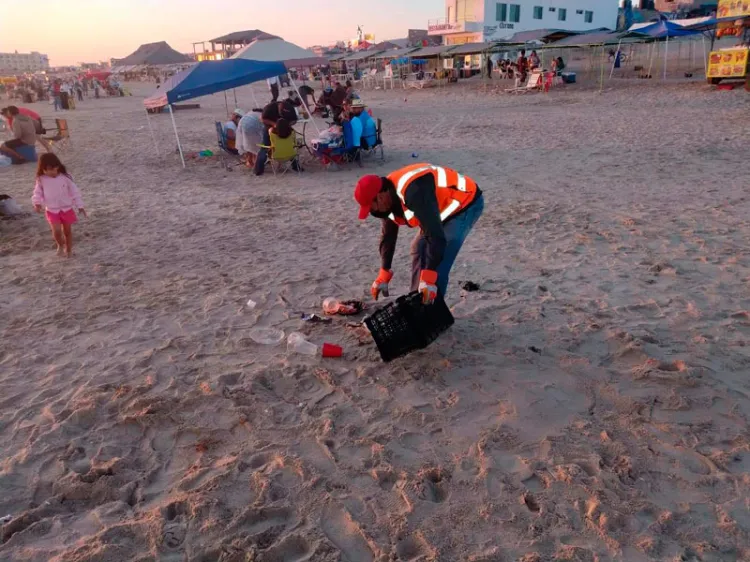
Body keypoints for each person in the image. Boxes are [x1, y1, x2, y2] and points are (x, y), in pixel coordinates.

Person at [354, 164, 484, 304]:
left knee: (439, 259)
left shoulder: (413, 192)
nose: (374, 212)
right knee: (418, 248)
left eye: (372, 207)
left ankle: (433, 312)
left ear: (380, 195)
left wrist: (429, 276)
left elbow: (436, 237)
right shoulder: (387, 200)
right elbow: (388, 236)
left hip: (466, 202)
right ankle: (418, 301)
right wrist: (384, 271)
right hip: (439, 209)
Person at [31, 153, 86, 257]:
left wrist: (80, 205)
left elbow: (75, 192)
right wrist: (37, 203)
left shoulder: (66, 177)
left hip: (67, 209)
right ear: (43, 169)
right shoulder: (41, 179)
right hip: (52, 209)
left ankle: (69, 250)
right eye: (48, 170)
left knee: (67, 231)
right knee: (56, 231)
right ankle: (60, 245)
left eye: (54, 168)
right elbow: (37, 192)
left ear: (58, 166)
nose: (52, 172)